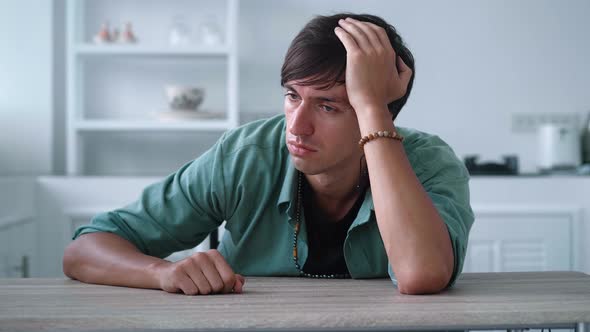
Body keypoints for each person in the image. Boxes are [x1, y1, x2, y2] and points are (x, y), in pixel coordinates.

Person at [63, 13, 474, 296]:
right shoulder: (246, 154)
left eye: (329, 106)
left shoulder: (430, 163)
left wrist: (370, 107)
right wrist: (164, 271)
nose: (296, 127)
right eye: (292, 97)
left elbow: (421, 275)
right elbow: (84, 250)